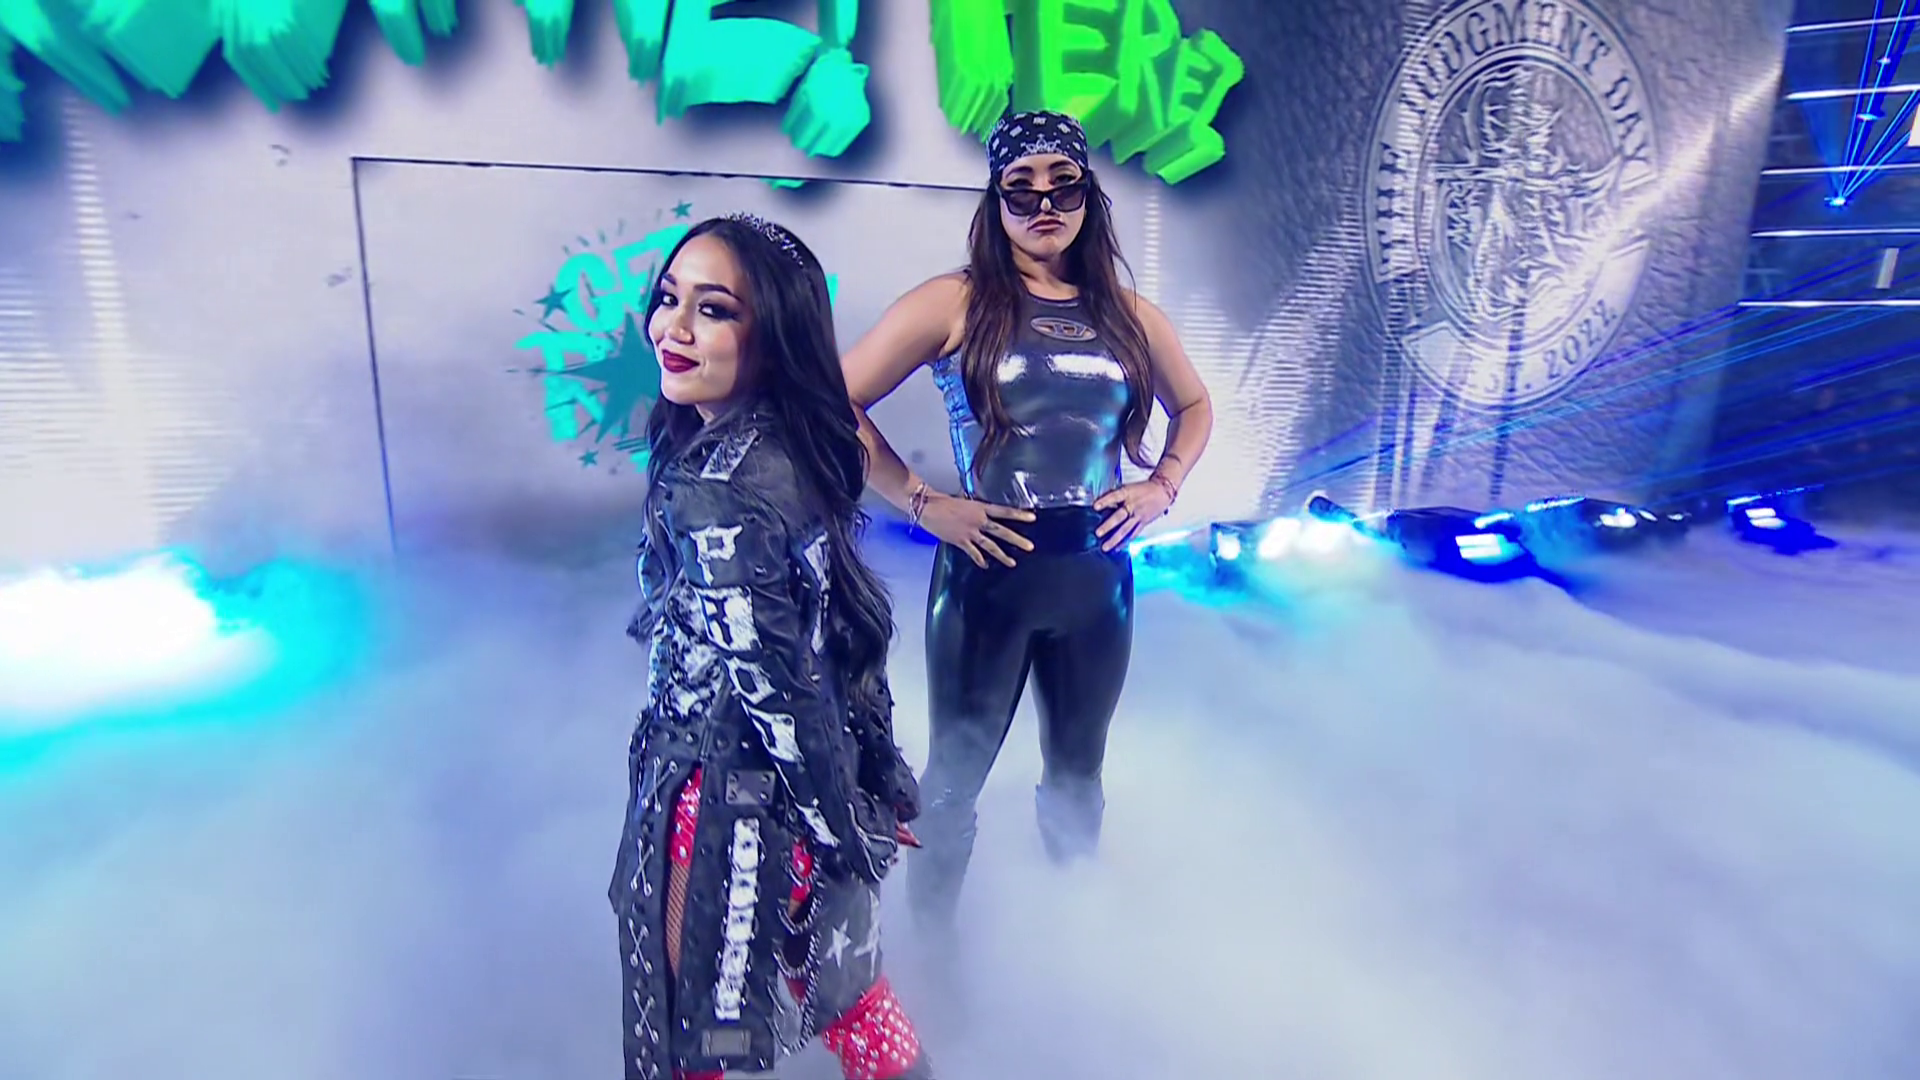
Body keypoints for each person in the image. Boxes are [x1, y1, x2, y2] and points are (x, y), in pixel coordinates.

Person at [841, 111, 1215, 936]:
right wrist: (923, 502)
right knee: (951, 782)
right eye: (1021, 188)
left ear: (1088, 196)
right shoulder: (956, 302)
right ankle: (934, 959)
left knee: (1079, 777)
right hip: (990, 576)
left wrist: (1164, 484)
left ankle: (1070, 946)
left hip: (1097, 579)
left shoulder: (1129, 314)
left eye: (1063, 186)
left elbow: (1194, 404)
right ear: (996, 199)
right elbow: (835, 401)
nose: (1044, 204)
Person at [611, 213, 934, 1080]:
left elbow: (781, 692)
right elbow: (847, 641)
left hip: (724, 809)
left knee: (698, 1049)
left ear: (776, 335)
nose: (674, 328)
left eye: (714, 309)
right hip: (812, 794)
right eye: (669, 298)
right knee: (857, 1009)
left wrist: (846, 831)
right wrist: (872, 787)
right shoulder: (797, 449)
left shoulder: (718, 490)